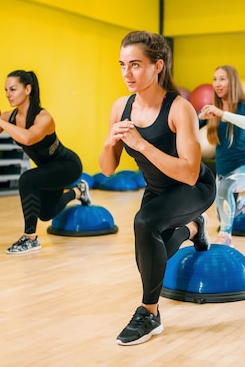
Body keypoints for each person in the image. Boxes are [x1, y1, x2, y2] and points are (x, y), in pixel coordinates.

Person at [99, 31, 216, 346]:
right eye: (123, 65)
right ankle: (193, 228)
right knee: (148, 255)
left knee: (144, 222)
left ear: (158, 66)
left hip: (194, 188)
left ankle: (149, 313)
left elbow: (190, 173)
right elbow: (107, 169)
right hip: (158, 190)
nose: (127, 73)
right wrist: (111, 141)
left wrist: (141, 144)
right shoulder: (121, 106)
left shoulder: (179, 109)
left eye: (135, 64)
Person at [0, 70, 91, 254]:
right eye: (6, 90)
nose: (8, 94)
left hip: (67, 166)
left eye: (13, 89)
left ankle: (30, 238)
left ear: (27, 89)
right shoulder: (9, 117)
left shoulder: (43, 117)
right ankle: (78, 191)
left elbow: (27, 138)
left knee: (27, 179)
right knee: (46, 214)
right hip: (48, 170)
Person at [198, 65, 245, 247]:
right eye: (215, 79)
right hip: (223, 171)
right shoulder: (211, 110)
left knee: (225, 189)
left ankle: (226, 237)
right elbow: (185, 127)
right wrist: (200, 117)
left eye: (222, 79)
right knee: (225, 213)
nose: (217, 83)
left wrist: (223, 114)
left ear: (232, 82)